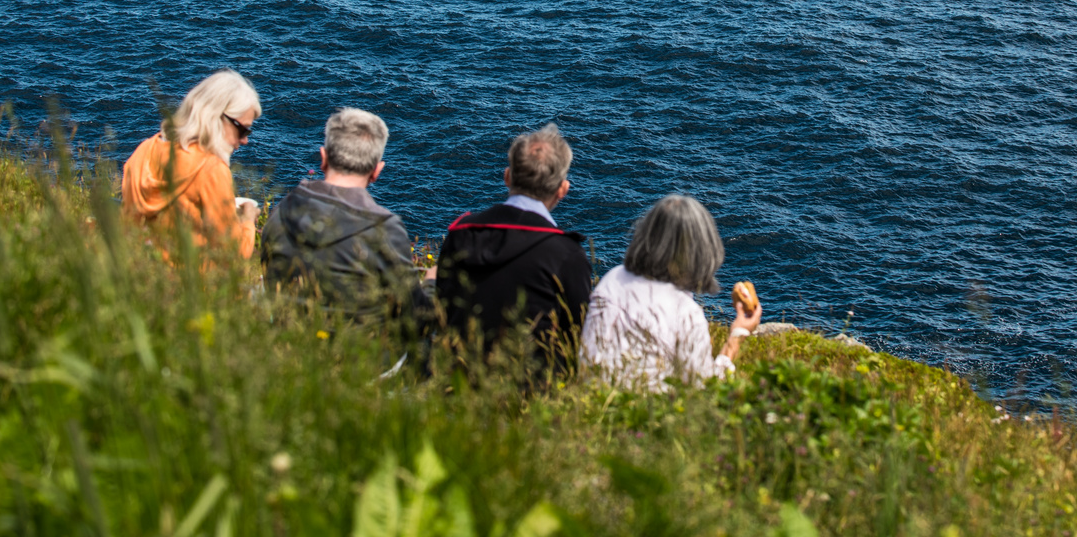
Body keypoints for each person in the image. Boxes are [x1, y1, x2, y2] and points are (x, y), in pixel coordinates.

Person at [435, 123, 591, 372]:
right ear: (563, 189)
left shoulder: (461, 233)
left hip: (457, 382)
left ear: (507, 176)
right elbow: (578, 337)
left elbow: (443, 307)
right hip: (531, 397)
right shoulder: (566, 255)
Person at [260, 108, 432, 324]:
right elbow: (417, 320)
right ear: (376, 171)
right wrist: (431, 284)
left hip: (284, 347)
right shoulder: (384, 229)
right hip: (357, 355)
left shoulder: (281, 212)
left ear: (323, 158)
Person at [580, 195, 761, 390]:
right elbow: (705, 390)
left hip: (590, 401)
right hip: (643, 415)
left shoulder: (611, 279)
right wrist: (737, 334)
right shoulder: (685, 312)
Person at [121, 69, 260, 259]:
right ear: (217, 118)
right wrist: (248, 220)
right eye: (243, 130)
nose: (245, 141)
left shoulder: (144, 151)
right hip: (191, 284)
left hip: (139, 274)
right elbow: (234, 253)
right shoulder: (211, 170)